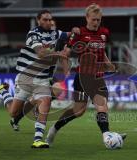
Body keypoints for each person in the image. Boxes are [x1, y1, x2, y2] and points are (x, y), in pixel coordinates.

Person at [45, 3, 126, 147]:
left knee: (102, 106)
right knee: (78, 111)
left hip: (97, 77)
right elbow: (66, 53)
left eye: (98, 20)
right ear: (87, 18)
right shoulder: (79, 33)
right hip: (82, 77)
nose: (96, 23)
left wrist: (108, 64)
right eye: (93, 19)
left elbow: (102, 51)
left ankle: (107, 136)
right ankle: (54, 128)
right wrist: (65, 65)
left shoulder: (104, 33)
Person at [0, 10, 72, 148]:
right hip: (26, 77)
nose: (49, 23)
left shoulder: (56, 35)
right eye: (45, 20)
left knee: (46, 101)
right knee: (13, 112)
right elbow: (41, 53)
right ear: (38, 20)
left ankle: (38, 139)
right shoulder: (33, 34)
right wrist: (60, 53)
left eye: (50, 20)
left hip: (43, 79)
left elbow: (71, 36)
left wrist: (76, 32)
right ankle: (3, 91)